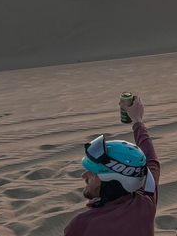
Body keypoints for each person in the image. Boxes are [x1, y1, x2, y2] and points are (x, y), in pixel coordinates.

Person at [65, 95, 160, 236]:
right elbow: (151, 161)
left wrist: (137, 121)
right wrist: (137, 120)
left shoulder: (82, 225)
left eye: (93, 173)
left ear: (113, 181)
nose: (84, 176)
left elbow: (151, 161)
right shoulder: (145, 202)